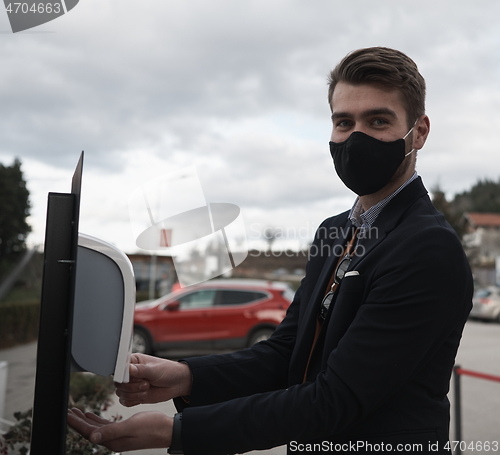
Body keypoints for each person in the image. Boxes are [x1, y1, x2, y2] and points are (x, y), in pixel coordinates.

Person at [68, 47, 473, 454]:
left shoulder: (427, 248)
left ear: (419, 132)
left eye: (378, 121)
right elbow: (286, 353)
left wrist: (175, 432)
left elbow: (336, 399)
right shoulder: (335, 230)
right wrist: (185, 375)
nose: (356, 138)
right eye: (344, 122)